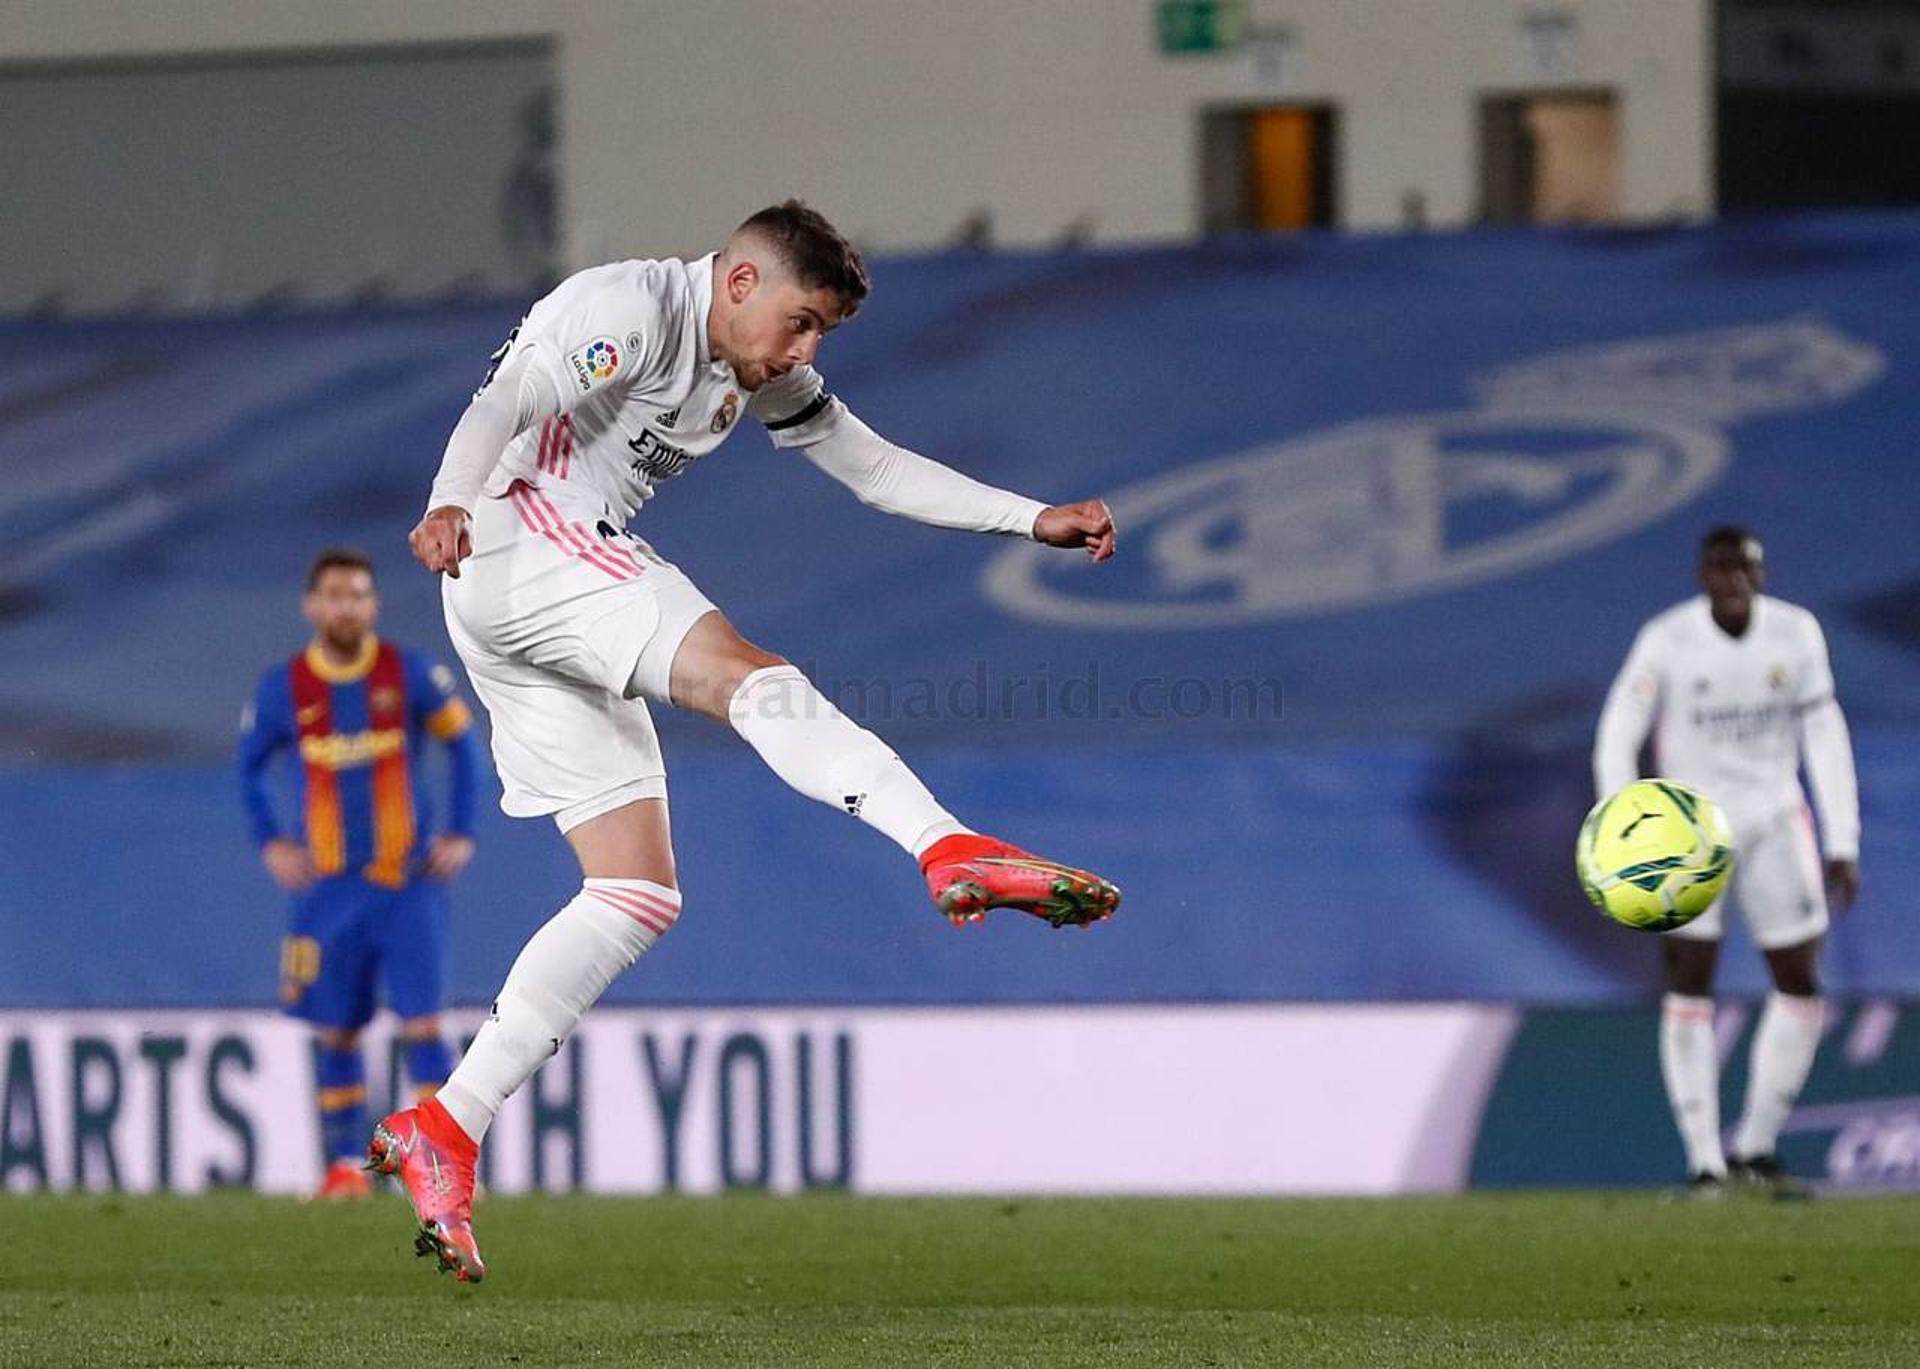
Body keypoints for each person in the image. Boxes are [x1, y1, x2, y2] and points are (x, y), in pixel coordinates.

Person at [367, 201, 1122, 1281]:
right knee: (744, 673)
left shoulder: (756, 367)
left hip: (513, 590)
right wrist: (448, 500)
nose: (805, 353)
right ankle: (945, 844)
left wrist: (1029, 516)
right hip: (518, 531)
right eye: (802, 323)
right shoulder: (630, 306)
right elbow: (510, 400)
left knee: (633, 895)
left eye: (822, 335)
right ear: (737, 284)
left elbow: (874, 468)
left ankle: (446, 1123)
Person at [1594, 526, 1860, 1198]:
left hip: (1775, 818)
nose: (1733, 579)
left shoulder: (1796, 634)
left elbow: (1824, 734)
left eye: (1745, 567)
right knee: (1689, 978)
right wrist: (1626, 829)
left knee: (1799, 978)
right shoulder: (1668, 639)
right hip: (1690, 829)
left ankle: (1757, 1147)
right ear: (1701, 575)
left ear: (1762, 574)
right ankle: (1703, 1160)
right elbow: (1616, 734)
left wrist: (1842, 839)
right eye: (1721, 567)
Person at [238, 548, 480, 1200]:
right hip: (328, 889)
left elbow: (464, 745)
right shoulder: (283, 687)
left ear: (372, 605)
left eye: (358, 595)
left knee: (424, 1024)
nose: (345, 607)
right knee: (338, 1028)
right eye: (334, 595)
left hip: (406, 885)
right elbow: (249, 766)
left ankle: (441, 1166)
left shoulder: (410, 673)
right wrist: (271, 842)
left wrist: (460, 829)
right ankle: (348, 1166)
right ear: (311, 605)